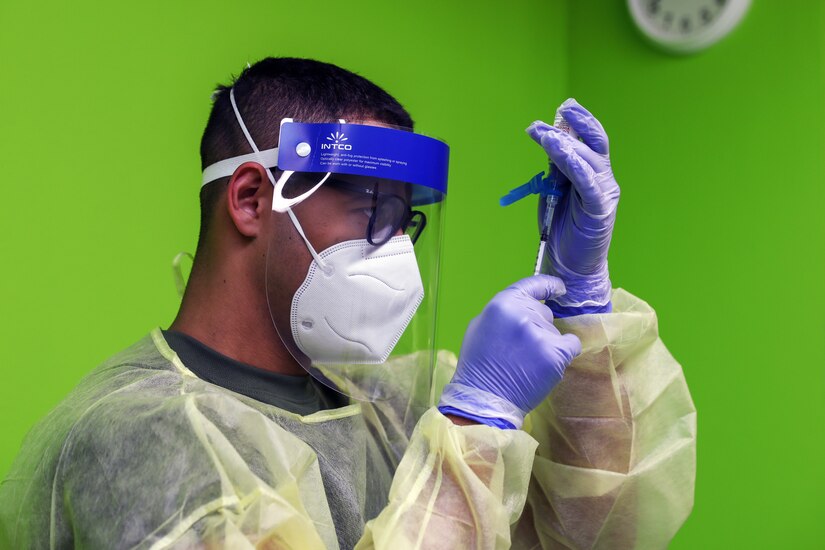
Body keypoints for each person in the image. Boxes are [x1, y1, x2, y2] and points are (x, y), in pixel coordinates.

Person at [0, 58, 696, 549]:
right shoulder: (140, 441)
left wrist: (581, 306)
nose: (395, 251)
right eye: (371, 213)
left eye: (405, 221)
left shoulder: (390, 411)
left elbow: (599, 532)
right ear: (250, 200)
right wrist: (471, 423)